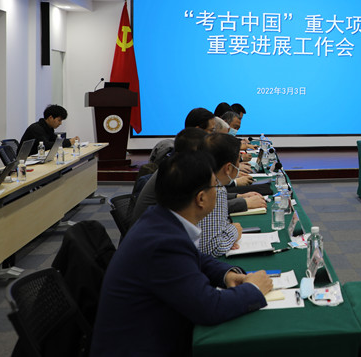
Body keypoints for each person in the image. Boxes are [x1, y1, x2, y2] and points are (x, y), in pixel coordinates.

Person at [91, 151, 272, 356]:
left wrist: (226, 274)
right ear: (201, 198)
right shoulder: (163, 243)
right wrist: (254, 288)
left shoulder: (160, 218)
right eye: (216, 186)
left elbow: (195, 257)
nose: (219, 191)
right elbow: (209, 308)